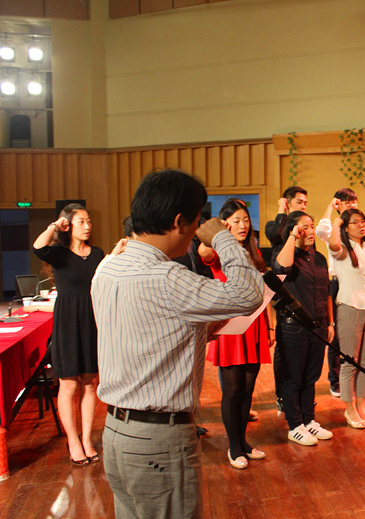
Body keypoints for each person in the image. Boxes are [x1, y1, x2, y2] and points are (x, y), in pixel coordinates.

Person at [92, 169, 263, 518]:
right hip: (158, 440)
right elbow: (249, 293)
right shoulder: (168, 278)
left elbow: (143, 332)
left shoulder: (107, 267)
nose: (198, 229)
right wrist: (223, 238)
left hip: (116, 432)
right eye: (197, 221)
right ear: (178, 221)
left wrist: (199, 331)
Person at [197, 198, 272, 469]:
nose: (242, 225)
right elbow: (204, 251)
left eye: (245, 220)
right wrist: (217, 232)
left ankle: (243, 442)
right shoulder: (218, 251)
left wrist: (269, 326)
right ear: (226, 224)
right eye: (236, 221)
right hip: (230, 326)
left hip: (255, 324)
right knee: (232, 390)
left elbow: (263, 292)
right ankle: (233, 446)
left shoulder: (253, 252)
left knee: (248, 390)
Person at [32, 203, 105, 466]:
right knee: (69, 383)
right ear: (68, 225)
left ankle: (86, 439)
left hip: (91, 321)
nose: (87, 226)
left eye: (89, 221)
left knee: (90, 383)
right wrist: (54, 226)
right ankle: (73, 441)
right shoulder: (59, 254)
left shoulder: (97, 254)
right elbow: (38, 247)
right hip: (67, 323)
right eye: (81, 221)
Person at [273, 211, 335, 446]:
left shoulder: (319, 258)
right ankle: (295, 425)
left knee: (311, 377)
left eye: (312, 226)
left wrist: (330, 323)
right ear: (293, 230)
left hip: (319, 327)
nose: (310, 231)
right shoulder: (286, 254)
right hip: (294, 329)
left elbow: (327, 291)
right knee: (293, 378)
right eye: (304, 227)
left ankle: (309, 421)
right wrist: (291, 237)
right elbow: (281, 268)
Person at [327, 208, 365, 428]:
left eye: (363, 221)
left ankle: (362, 406)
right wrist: (337, 222)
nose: (361, 225)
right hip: (350, 307)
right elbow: (333, 243)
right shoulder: (342, 249)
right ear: (346, 226)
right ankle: (349, 409)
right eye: (355, 222)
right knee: (350, 363)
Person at [263, 185, 308, 413]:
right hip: (284, 289)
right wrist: (281, 211)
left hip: (300, 286)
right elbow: (276, 234)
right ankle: (282, 395)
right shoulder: (276, 225)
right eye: (299, 202)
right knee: (284, 351)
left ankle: (302, 396)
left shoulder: (303, 226)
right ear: (288, 203)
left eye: (305, 203)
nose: (303, 206)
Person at [315, 188, 360, 397]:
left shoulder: (360, 228)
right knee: (337, 335)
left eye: (354, 201)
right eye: (347, 202)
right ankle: (335, 381)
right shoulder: (334, 229)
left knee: (355, 333)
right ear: (339, 204)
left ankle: (354, 377)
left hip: (356, 283)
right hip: (338, 283)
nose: (352, 205)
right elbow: (319, 231)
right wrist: (329, 208)